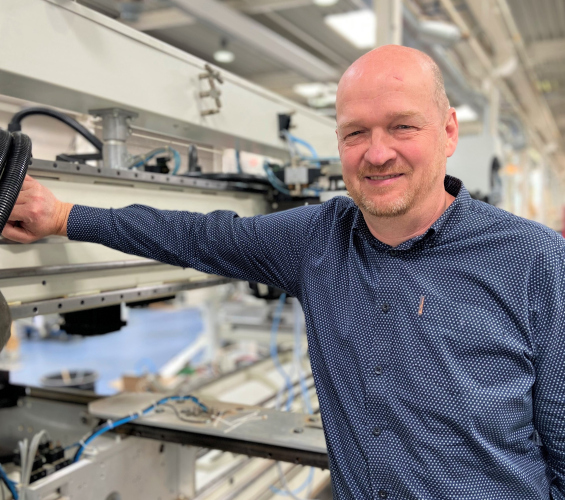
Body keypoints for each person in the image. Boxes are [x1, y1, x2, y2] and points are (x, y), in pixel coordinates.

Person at [3, 45, 564, 499]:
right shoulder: (318, 241)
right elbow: (197, 236)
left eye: (402, 127)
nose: (377, 153)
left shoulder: (534, 259)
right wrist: (63, 216)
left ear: (449, 132)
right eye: (356, 133)